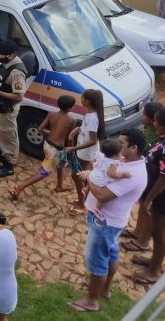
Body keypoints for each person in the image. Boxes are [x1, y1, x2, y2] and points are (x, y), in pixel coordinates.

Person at [68, 129, 147, 312]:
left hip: (105, 223)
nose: (118, 146)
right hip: (112, 222)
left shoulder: (132, 174)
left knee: (97, 262)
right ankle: (104, 289)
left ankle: (91, 301)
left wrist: (89, 178)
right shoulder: (126, 161)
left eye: (122, 144)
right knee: (111, 254)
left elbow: (103, 195)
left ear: (134, 148)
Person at [9, 95, 77, 201]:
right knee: (44, 172)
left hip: (47, 144)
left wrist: (51, 132)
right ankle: (19, 188)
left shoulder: (51, 114)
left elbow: (40, 129)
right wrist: (71, 148)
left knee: (61, 164)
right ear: (71, 108)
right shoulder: (72, 120)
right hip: (56, 149)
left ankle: (59, 186)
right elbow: (70, 138)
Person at [122, 105, 165, 253]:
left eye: (155, 121)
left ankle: (143, 241)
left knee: (149, 212)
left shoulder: (158, 139)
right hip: (149, 182)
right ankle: (138, 232)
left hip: (157, 190)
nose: (154, 123)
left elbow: (163, 175)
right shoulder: (155, 135)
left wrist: (150, 197)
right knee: (143, 207)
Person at [0, 40, 26, 178]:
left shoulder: (17, 72)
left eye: (0, 54)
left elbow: (19, 97)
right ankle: (1, 153)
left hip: (8, 109)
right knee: (0, 132)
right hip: (1, 107)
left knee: (9, 136)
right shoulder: (8, 64)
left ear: (11, 55)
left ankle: (9, 165)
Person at [67, 89, 105, 214]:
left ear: (88, 101)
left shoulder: (93, 118)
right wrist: (79, 128)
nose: (80, 99)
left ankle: (82, 204)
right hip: (84, 151)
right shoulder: (90, 114)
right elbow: (88, 131)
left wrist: (74, 148)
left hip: (86, 153)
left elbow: (93, 140)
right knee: (83, 177)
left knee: (77, 176)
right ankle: (85, 198)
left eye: (82, 97)